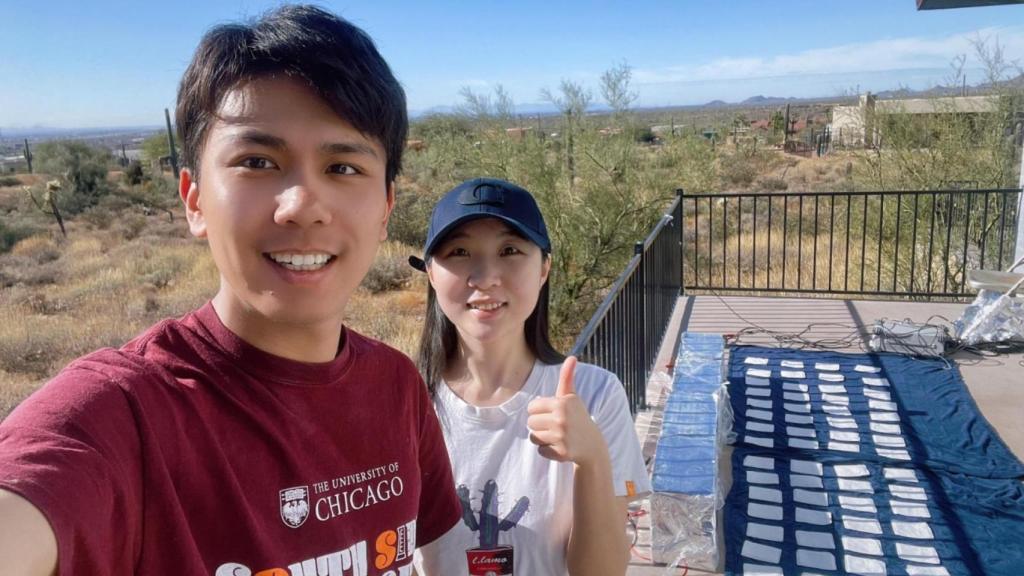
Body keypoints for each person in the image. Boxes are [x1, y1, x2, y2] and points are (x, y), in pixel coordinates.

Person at [0, 6, 460, 575]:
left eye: (343, 168)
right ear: (194, 200)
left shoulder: (396, 388)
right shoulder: (123, 417)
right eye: (257, 161)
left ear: (385, 208)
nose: (302, 206)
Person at [410, 178, 651, 576]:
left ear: (544, 268)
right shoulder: (405, 401)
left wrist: (591, 459)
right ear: (431, 273)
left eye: (509, 251)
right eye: (459, 252)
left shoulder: (595, 394)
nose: (486, 277)